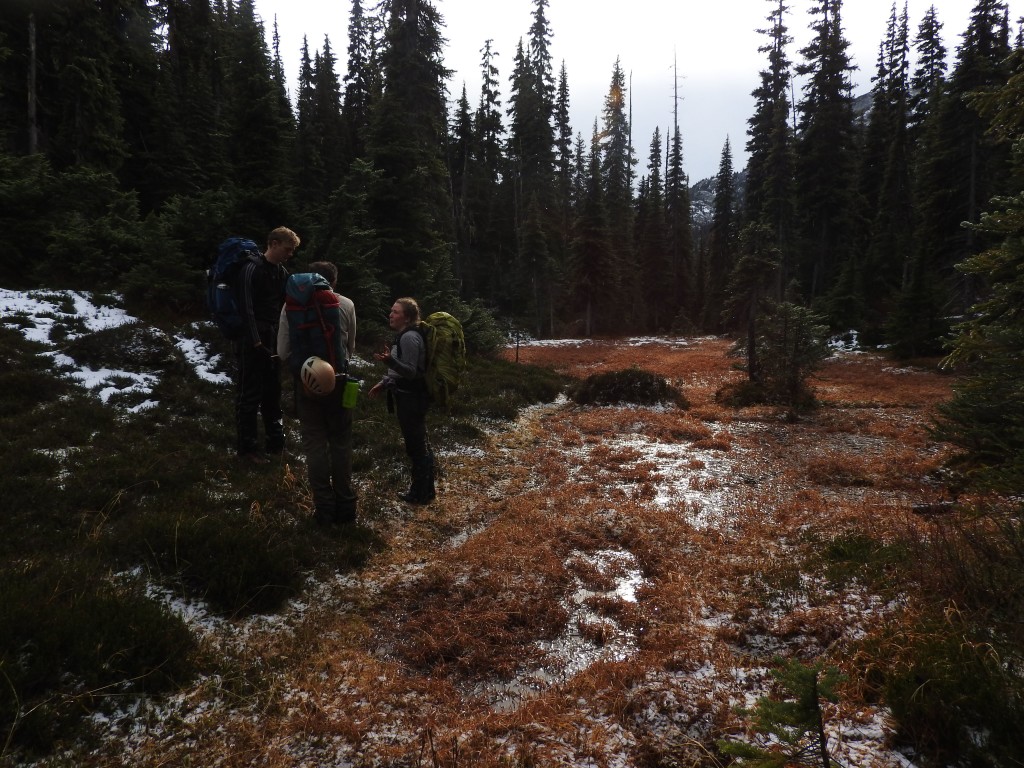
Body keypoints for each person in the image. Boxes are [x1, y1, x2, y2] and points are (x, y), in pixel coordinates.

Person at [277, 261, 359, 525]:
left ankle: (324, 509)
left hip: (307, 385)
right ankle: (346, 508)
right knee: (341, 444)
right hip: (340, 381)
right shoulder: (345, 304)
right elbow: (350, 348)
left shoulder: (291, 306)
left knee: (315, 446)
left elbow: (281, 351)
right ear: (333, 282)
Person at [235, 226, 298, 464]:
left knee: (273, 393)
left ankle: (276, 444)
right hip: (252, 341)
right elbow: (246, 307)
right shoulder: (251, 269)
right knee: (248, 394)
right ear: (273, 243)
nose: (289, 254)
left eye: (292, 251)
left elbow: (283, 308)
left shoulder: (281, 273)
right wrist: (255, 340)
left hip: (272, 338)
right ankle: (247, 449)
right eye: (287, 249)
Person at [368, 298, 436, 504]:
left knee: (416, 446)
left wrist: (389, 361)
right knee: (419, 442)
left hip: (412, 398)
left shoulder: (409, 338)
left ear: (406, 317)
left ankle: (420, 494)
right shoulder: (405, 335)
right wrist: (385, 382)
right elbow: (401, 371)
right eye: (391, 311)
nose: (391, 315)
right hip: (409, 397)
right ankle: (426, 490)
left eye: (395, 312)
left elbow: (411, 372)